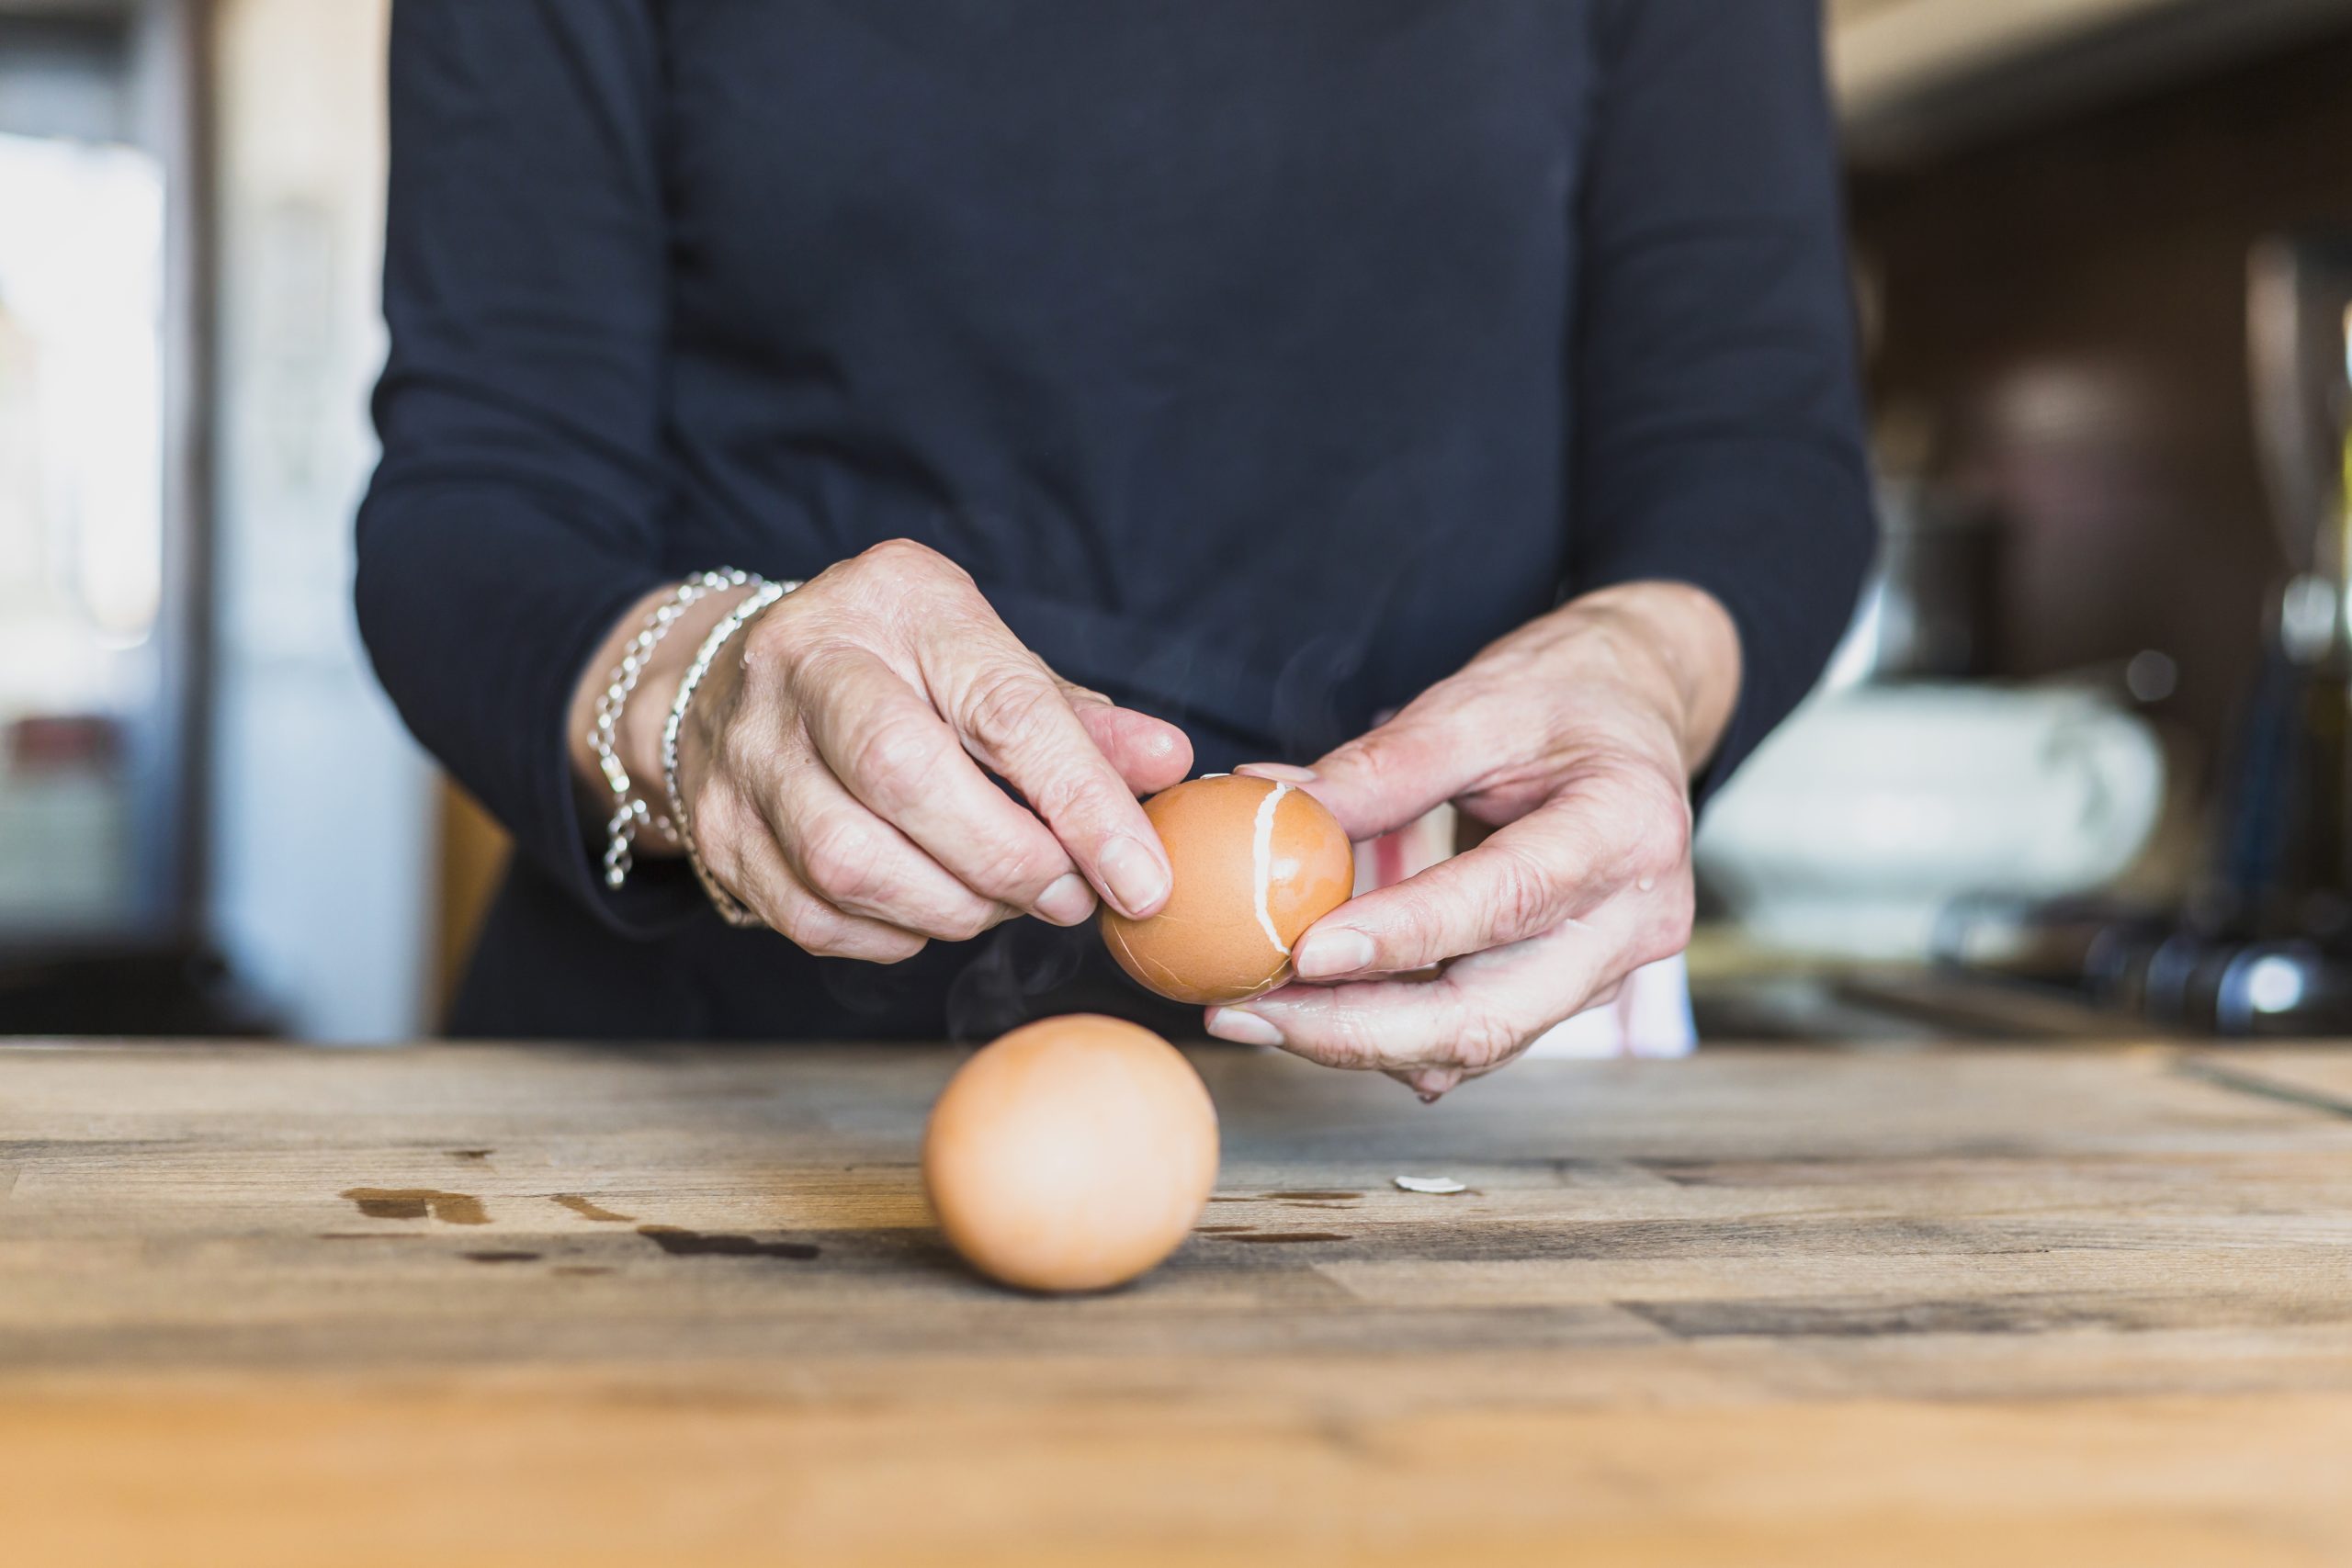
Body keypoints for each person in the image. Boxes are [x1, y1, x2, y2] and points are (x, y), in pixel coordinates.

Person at [357, 1, 1873, 1096]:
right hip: (705, 1097)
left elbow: (1753, 454)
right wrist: (704, 692)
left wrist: (1645, 669)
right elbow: (478, 497)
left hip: (1448, 1090)